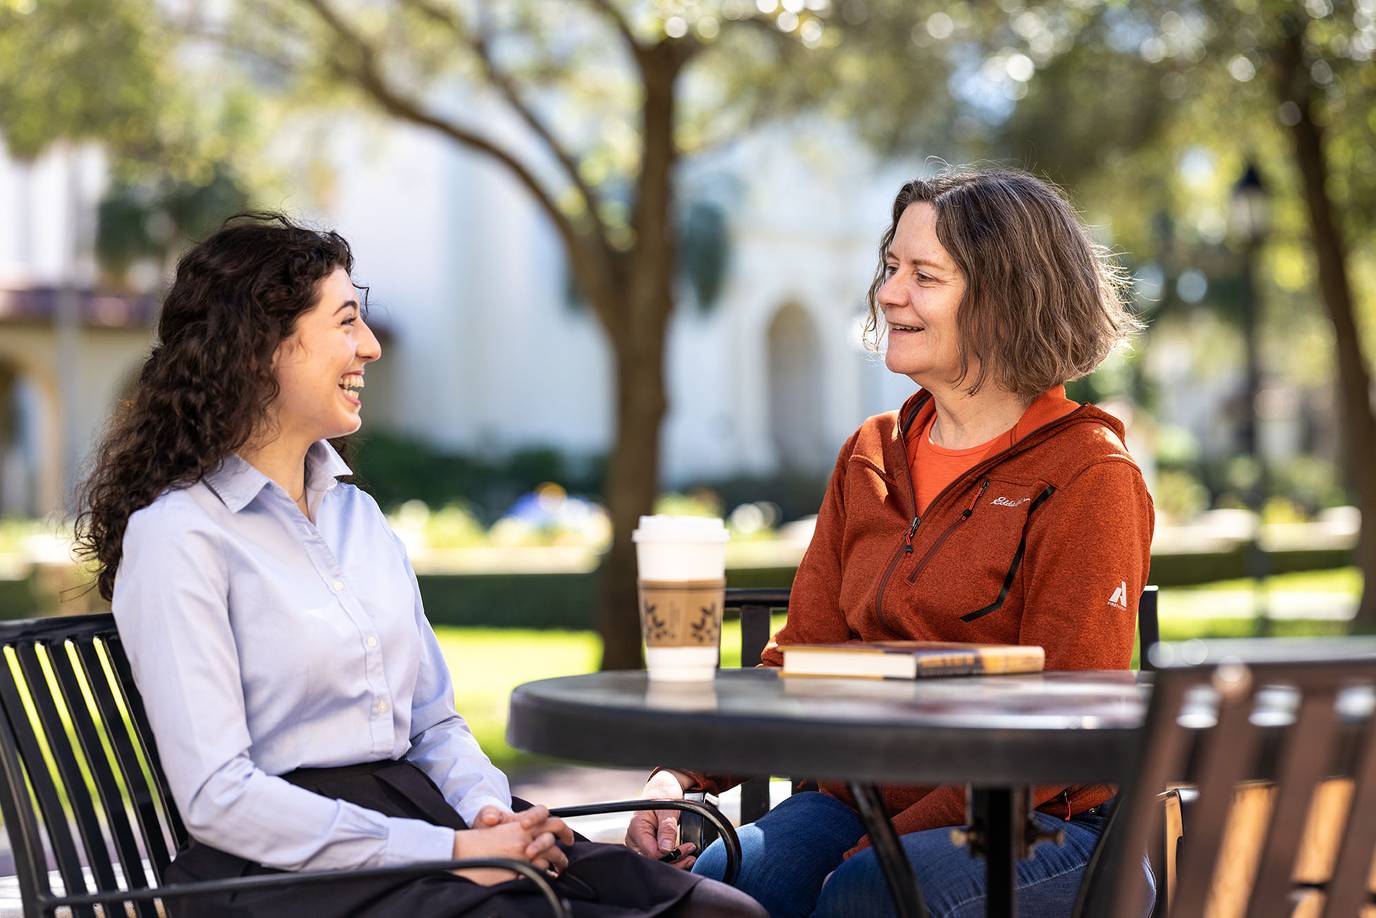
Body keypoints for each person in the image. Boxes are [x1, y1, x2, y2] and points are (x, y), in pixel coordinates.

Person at [75, 213, 765, 918]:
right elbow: (219, 796)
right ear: (260, 348)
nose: (369, 347)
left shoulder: (356, 518)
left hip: (429, 821)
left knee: (721, 912)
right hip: (287, 874)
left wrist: (492, 817)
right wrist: (449, 852)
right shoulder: (181, 535)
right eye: (345, 322)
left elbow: (433, 723)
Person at [625, 168, 1157, 917]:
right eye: (890, 267)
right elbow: (800, 657)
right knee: (719, 886)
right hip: (856, 801)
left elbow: (1060, 732)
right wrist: (677, 778)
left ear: (1006, 300)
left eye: (924, 276)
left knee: (866, 893)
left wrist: (886, 842)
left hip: (1045, 826)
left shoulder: (1089, 476)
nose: (887, 293)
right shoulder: (870, 454)